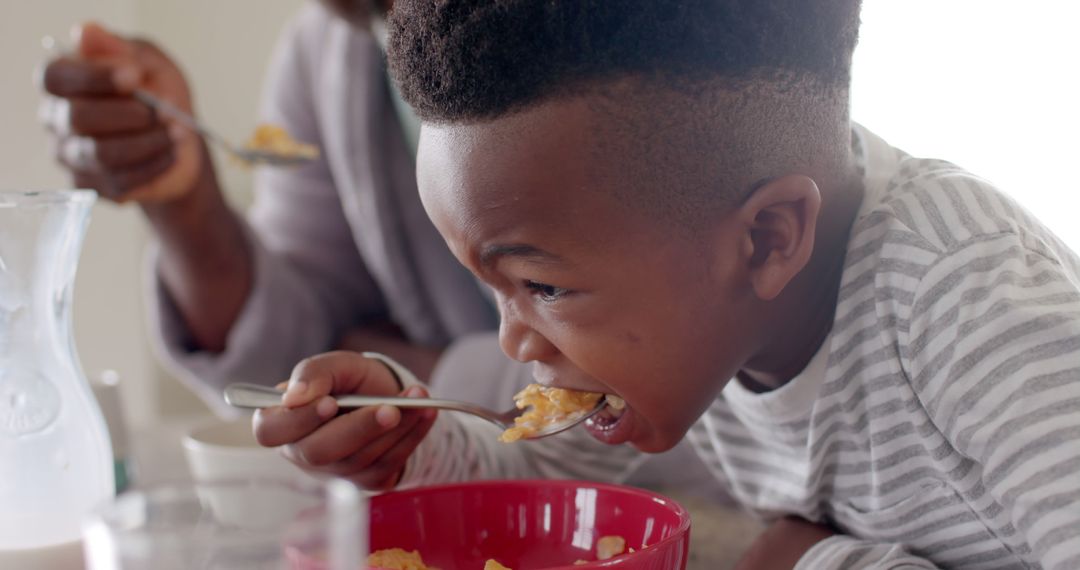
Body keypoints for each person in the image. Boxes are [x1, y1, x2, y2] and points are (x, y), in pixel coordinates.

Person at [253, 0, 1080, 567]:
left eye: (542, 286)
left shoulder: (967, 303)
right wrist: (407, 431)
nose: (512, 339)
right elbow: (545, 484)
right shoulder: (696, 310)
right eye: (495, 289)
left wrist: (815, 559)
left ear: (767, 239)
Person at [37, 1, 723, 498]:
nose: (516, 342)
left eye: (544, 288)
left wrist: (432, 371)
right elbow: (308, 382)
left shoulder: (643, 40)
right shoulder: (329, 51)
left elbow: (701, 362)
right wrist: (185, 207)